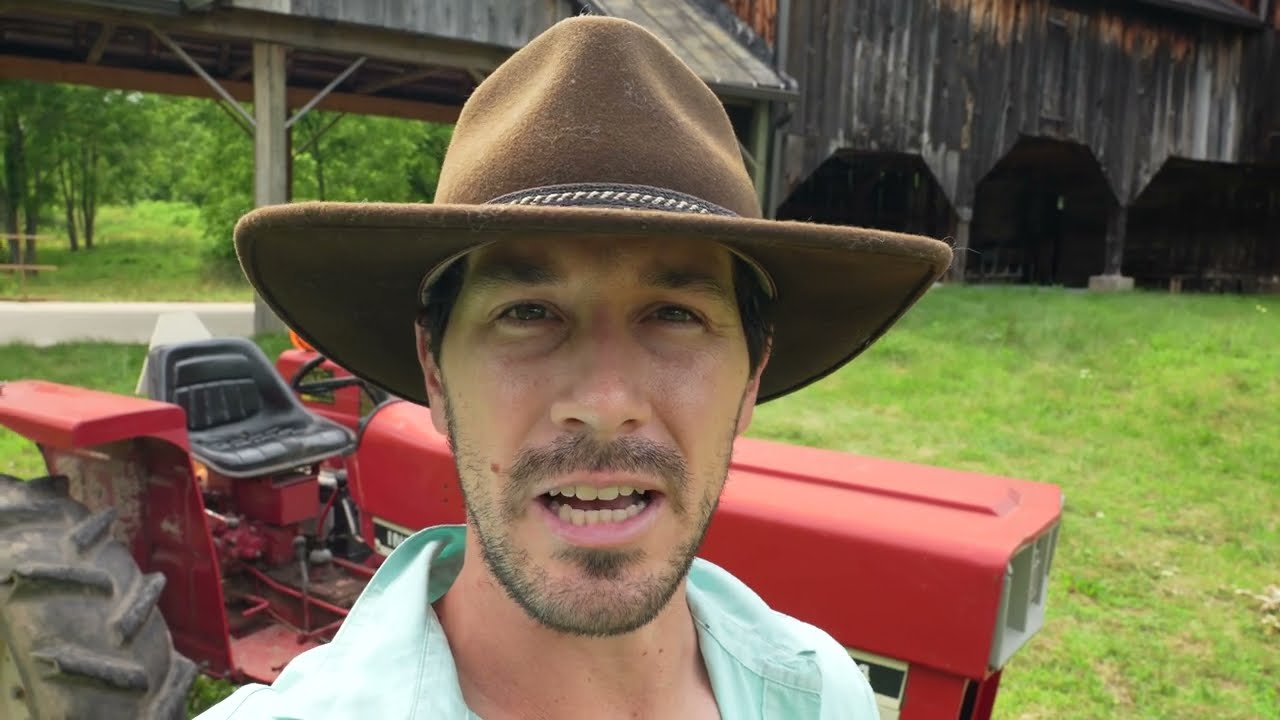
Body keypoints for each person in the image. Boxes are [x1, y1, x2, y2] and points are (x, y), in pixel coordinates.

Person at [199, 14, 950, 720]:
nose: (604, 400)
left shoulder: (823, 695)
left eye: (675, 314)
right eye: (527, 313)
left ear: (751, 377)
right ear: (434, 368)